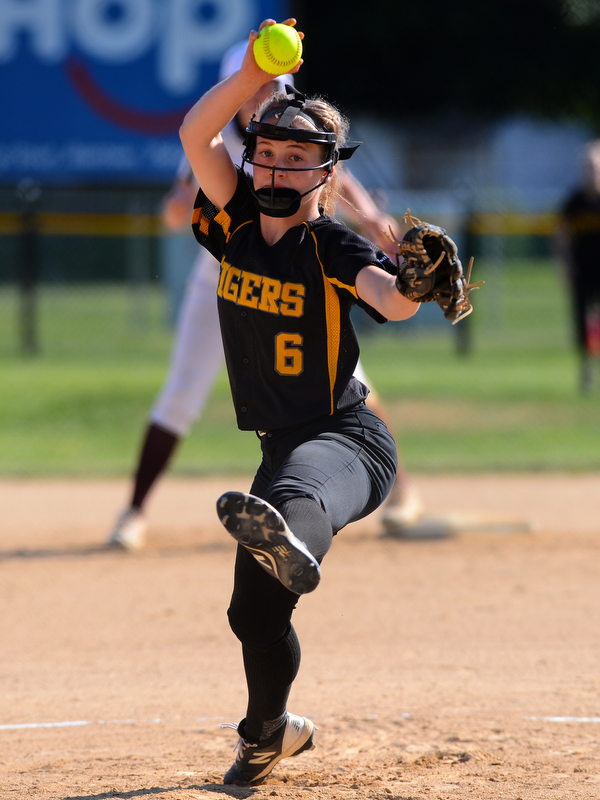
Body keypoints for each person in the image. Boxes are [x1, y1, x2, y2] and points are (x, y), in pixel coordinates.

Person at [178, 18, 421, 786]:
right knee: (251, 615)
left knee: (296, 494)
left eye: (299, 158)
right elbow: (196, 132)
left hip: (348, 440)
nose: (279, 169)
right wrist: (254, 73)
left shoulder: (336, 247)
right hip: (280, 444)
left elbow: (391, 297)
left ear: (327, 173)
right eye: (270, 155)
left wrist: (414, 284)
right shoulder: (238, 226)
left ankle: (295, 540)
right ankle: (268, 732)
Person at [107, 43, 422, 551]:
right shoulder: (224, 147)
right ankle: (134, 511)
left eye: (273, 85)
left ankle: (396, 487)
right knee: (181, 392)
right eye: (255, 83)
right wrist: (181, 205)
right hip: (225, 275)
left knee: (351, 383)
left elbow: (341, 179)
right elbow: (179, 190)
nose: (266, 94)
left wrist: (375, 228)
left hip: (301, 274)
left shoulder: (297, 137)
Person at [558, 139, 600, 392]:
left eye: (595, 167)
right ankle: (586, 369)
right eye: (587, 167)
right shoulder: (574, 201)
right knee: (582, 322)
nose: (591, 172)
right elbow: (560, 234)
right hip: (583, 271)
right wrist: (565, 264)